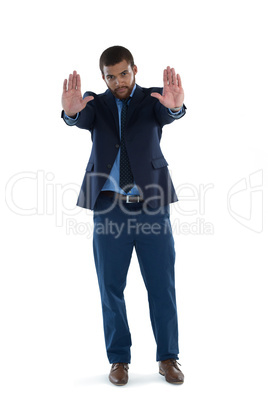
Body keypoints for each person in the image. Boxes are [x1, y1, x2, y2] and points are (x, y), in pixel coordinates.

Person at [61, 45, 187, 386]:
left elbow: (169, 114)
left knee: (162, 286)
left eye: (124, 73)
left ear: (134, 69)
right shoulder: (95, 104)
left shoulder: (153, 100)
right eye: (111, 76)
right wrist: (71, 114)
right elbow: (79, 118)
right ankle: (118, 359)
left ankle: (168, 357)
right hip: (109, 209)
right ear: (103, 77)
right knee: (110, 287)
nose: (119, 81)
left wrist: (175, 109)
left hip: (152, 206)